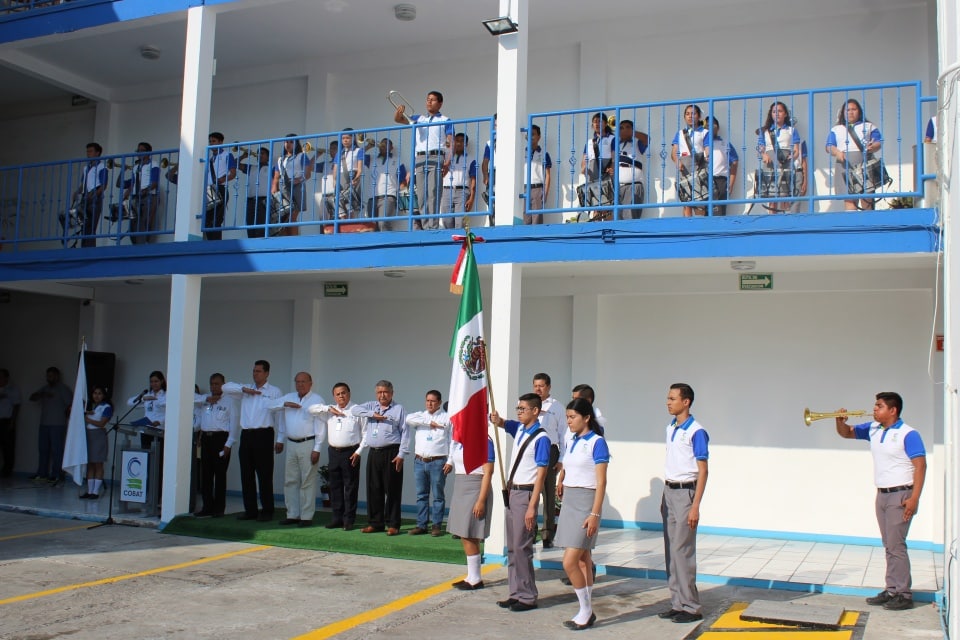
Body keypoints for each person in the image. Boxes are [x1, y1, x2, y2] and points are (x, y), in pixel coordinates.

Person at [835, 392, 926, 611]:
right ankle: (892, 589)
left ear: (893, 410)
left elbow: (920, 466)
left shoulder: (908, 434)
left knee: (897, 545)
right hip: (882, 494)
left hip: (901, 494)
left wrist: (914, 498)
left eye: (879, 406)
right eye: (875, 406)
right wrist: (839, 422)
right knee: (889, 544)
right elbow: (846, 433)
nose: (874, 409)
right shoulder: (874, 429)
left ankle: (903, 593)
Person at [489, 393, 550, 612]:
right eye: (518, 408)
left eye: (523, 409)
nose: (519, 412)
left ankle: (527, 596)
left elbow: (541, 476)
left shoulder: (541, 438)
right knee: (513, 547)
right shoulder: (521, 429)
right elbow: (506, 424)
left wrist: (533, 506)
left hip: (526, 494)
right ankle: (515, 592)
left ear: (535, 411)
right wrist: (498, 420)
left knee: (523, 547)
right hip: (513, 493)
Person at [658, 383, 709, 624]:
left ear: (685, 402)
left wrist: (695, 505)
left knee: (683, 550)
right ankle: (677, 602)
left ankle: (691, 606)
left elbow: (703, 471)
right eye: (668, 398)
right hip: (669, 491)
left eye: (672, 398)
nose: (668, 402)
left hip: (686, 494)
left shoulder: (696, 431)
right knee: (671, 550)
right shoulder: (671, 428)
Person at [557, 398, 609, 630]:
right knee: (582, 559)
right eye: (567, 417)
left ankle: (586, 610)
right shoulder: (573, 440)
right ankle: (586, 609)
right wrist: (562, 481)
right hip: (570, 500)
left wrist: (595, 514)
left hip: (587, 503)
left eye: (572, 417)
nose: (568, 421)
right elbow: (568, 467)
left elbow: (601, 482)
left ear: (586, 417)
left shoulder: (597, 443)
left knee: (569, 562)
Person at [223, 360, 283, 522]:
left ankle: (267, 510)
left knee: (264, 475)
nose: (255, 374)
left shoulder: (274, 391)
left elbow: (279, 416)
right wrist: (243, 389)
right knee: (246, 475)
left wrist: (280, 438)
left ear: (267, 373)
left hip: (264, 435)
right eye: (254, 371)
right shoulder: (244, 389)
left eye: (259, 371)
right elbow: (225, 387)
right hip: (247, 435)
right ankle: (250, 510)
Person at [352, 380, 409, 535]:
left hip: (392, 453)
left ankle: (393, 524)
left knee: (392, 489)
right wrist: (372, 414)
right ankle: (375, 523)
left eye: (385, 392)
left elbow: (405, 432)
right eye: (379, 392)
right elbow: (354, 410)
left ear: (392, 393)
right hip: (374, 453)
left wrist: (401, 454)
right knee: (374, 488)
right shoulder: (371, 406)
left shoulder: (398, 409)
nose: (382, 395)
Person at [269, 372, 326, 527]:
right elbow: (270, 406)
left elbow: (320, 426)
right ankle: (292, 514)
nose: (300, 384)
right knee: (290, 480)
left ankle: (306, 516)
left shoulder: (317, 400)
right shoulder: (289, 397)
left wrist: (317, 448)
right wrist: (285, 405)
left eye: (303, 381)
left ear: (310, 383)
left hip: (308, 443)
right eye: (297, 381)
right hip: (291, 443)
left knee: (307, 481)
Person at [395, 90, 453, 230]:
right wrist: (399, 111)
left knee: (433, 192)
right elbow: (399, 119)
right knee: (421, 194)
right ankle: (425, 225)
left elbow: (450, 141)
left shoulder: (445, 120)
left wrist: (447, 161)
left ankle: (432, 226)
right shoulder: (418, 118)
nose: (429, 102)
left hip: (435, 156)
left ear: (440, 103)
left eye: (432, 100)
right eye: (427, 99)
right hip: (420, 157)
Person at [308, 382, 362, 530]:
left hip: (351, 452)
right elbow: (311, 409)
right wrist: (327, 408)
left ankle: (349, 520)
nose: (341, 396)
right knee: (335, 486)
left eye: (343, 393)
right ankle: (337, 518)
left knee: (350, 487)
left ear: (349, 393)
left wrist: (359, 452)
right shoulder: (330, 411)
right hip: (334, 452)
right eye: (337, 394)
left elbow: (366, 433)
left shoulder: (356, 410)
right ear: (334, 396)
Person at [448, 434, 495, 590]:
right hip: (461, 485)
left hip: (475, 487)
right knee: (464, 533)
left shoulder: (484, 440)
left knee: (470, 532)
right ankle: (471, 575)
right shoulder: (460, 440)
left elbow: (488, 472)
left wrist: (481, 500)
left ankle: (475, 578)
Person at [405, 390, 452, 536]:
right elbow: (408, 419)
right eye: (427, 401)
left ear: (439, 402)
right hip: (420, 461)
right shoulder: (421, 416)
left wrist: (450, 461)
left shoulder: (446, 418)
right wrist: (428, 422)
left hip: (438, 462)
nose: (429, 404)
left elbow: (452, 440)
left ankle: (436, 525)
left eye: (432, 401)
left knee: (438, 495)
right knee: (421, 495)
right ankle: (421, 525)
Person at [193, 373, 239, 517]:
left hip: (221, 439)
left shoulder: (230, 401)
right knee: (205, 475)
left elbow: (234, 424)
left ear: (223, 384)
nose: (214, 386)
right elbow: (190, 400)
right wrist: (206, 398)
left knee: (219, 475)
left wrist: (229, 443)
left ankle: (219, 509)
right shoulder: (204, 400)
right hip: (206, 439)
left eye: (217, 384)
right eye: (212, 383)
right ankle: (207, 506)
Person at [825, 99, 884, 211]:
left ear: (859, 111)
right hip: (845, 166)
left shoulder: (869, 126)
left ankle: (869, 225)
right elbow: (829, 146)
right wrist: (837, 152)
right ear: (843, 112)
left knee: (867, 199)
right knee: (849, 200)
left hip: (864, 165)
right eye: (847, 110)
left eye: (854, 109)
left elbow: (878, 142)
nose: (850, 112)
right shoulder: (836, 129)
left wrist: (873, 147)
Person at [532, 372, 564, 548]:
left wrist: (561, 459)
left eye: (541, 386)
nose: (538, 389)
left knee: (548, 494)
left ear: (549, 387)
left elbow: (563, 435)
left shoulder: (557, 407)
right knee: (530, 492)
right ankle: (530, 531)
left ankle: (547, 534)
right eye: (535, 385)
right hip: (532, 451)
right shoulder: (527, 404)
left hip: (550, 451)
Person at [29, 366, 73, 484]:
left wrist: (67, 417)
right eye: (48, 376)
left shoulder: (63, 389)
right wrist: (41, 394)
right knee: (43, 449)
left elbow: (71, 404)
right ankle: (42, 473)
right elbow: (32, 398)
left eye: (52, 376)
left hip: (58, 424)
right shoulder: (45, 388)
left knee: (57, 450)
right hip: (44, 424)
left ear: (57, 376)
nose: (49, 378)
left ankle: (57, 474)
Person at [756, 103, 801, 214]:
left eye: (780, 111)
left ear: (785, 114)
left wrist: (792, 156)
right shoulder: (765, 131)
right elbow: (760, 148)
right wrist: (764, 155)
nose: (777, 114)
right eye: (774, 111)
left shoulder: (791, 130)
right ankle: (772, 220)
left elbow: (796, 150)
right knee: (772, 197)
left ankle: (785, 222)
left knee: (785, 194)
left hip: (785, 163)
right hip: (770, 164)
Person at [671, 105, 709, 217]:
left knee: (700, 200)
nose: (690, 116)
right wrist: (677, 162)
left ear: (699, 116)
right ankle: (687, 226)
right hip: (684, 166)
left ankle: (699, 227)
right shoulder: (680, 133)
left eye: (693, 113)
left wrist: (707, 156)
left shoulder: (705, 132)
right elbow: (674, 151)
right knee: (686, 201)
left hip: (699, 166)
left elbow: (707, 148)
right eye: (687, 114)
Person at [271, 134, 312, 236]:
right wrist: (274, 188)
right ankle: (286, 238)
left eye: (291, 142)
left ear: (296, 144)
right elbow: (276, 176)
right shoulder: (281, 159)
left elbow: (307, 174)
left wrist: (298, 180)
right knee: (284, 217)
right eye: (286, 142)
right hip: (284, 189)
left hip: (297, 188)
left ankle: (294, 238)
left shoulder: (301, 156)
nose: (288, 144)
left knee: (292, 216)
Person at [365, 138, 408, 232]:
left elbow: (403, 182)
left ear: (391, 147)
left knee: (383, 223)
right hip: (372, 198)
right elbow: (357, 157)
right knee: (371, 226)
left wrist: (404, 203)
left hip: (388, 196)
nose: (383, 147)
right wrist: (369, 146)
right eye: (382, 144)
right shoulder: (372, 159)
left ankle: (387, 244)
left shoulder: (397, 161)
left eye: (386, 145)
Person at [579, 112, 616, 220]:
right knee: (595, 203)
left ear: (605, 124)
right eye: (595, 122)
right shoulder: (590, 142)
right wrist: (584, 169)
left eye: (600, 121)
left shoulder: (611, 138)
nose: (597, 124)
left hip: (605, 173)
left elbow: (614, 157)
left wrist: (612, 168)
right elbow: (584, 159)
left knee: (607, 203)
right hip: (593, 173)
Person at [123, 142, 161, 244]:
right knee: (133, 223)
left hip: (149, 196)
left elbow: (154, 183)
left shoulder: (154, 164)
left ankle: (143, 245)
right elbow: (134, 182)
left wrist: (145, 190)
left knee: (145, 222)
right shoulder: (136, 167)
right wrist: (128, 192)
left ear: (148, 152)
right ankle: (136, 244)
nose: (139, 153)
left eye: (142, 150)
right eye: (138, 150)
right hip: (136, 197)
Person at [73, 142, 107, 248]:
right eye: (87, 151)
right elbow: (83, 184)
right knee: (84, 225)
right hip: (85, 198)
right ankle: (84, 247)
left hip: (94, 198)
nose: (88, 153)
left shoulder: (102, 167)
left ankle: (90, 248)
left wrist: (94, 195)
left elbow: (103, 185)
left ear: (97, 153)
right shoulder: (86, 168)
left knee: (91, 225)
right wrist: (76, 192)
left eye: (91, 151)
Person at [80, 385, 112, 499]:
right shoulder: (94, 407)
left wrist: (88, 419)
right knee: (90, 464)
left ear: (103, 395)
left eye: (99, 393)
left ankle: (96, 491)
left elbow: (102, 423)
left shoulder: (107, 407)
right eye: (94, 393)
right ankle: (89, 491)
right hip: (89, 435)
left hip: (98, 435)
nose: (96, 396)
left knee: (98, 463)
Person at [440, 133, 477, 229]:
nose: (459, 143)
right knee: (446, 220)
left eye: (462, 141)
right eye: (457, 141)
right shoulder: (446, 158)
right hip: (446, 191)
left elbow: (473, 180)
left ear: (466, 144)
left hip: (462, 192)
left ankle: (458, 243)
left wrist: (471, 198)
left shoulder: (471, 160)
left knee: (460, 223)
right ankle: (449, 243)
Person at [205, 132, 236, 240]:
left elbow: (232, 173)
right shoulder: (209, 159)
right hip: (209, 190)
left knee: (217, 218)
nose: (211, 143)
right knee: (207, 219)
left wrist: (222, 179)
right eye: (210, 141)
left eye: (214, 141)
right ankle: (210, 242)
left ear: (220, 142)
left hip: (221, 189)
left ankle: (216, 242)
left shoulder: (227, 155)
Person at [616, 119, 648, 220]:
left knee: (629, 216)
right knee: (616, 217)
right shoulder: (616, 144)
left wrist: (631, 133)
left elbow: (646, 139)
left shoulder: (637, 143)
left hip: (632, 185)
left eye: (627, 127)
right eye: (621, 128)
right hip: (616, 187)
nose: (624, 130)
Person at [706, 118, 739, 217]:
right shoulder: (701, 144)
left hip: (720, 181)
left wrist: (731, 183)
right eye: (707, 126)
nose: (710, 128)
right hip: (704, 180)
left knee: (719, 212)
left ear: (718, 127)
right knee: (704, 211)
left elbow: (734, 162)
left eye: (713, 125)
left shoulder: (724, 143)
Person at [128, 370, 166, 450]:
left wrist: (160, 422)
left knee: (158, 457)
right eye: (151, 382)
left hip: (159, 430)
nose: (153, 384)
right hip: (146, 430)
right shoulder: (147, 395)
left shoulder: (166, 395)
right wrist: (143, 398)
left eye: (156, 381)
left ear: (162, 381)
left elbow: (170, 413)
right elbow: (130, 402)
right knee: (146, 456)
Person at [238, 147, 271, 238]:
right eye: (258, 153)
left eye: (263, 153)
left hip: (264, 200)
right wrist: (244, 156)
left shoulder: (271, 169)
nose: (260, 155)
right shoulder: (251, 168)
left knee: (261, 225)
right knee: (250, 224)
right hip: (251, 200)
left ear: (268, 157)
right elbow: (234, 164)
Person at [331, 129, 364, 221]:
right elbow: (335, 168)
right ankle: (343, 224)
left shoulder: (358, 151)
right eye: (343, 138)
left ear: (353, 138)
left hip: (351, 178)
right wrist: (334, 180)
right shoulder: (339, 153)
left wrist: (356, 179)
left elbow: (360, 169)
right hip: (340, 179)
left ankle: (350, 226)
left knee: (350, 204)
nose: (345, 140)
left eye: (348, 138)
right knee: (339, 203)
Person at [523, 124, 552, 225]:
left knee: (537, 219)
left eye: (533, 134)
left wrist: (545, 192)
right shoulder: (521, 152)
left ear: (539, 137)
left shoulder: (544, 154)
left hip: (537, 188)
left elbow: (548, 175)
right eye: (529, 134)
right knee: (525, 219)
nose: (531, 137)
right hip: (524, 189)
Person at [0, 368, 22, 477]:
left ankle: (7, 471)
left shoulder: (13, 389)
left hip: (6, 420)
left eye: (1, 376)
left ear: (6, 377)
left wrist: (12, 422)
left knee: (8, 447)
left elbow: (16, 406)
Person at [481, 113, 496, 221]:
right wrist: (486, 176)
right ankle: (493, 222)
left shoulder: (512, 139)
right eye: (495, 125)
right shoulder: (490, 143)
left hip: (508, 172)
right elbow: (485, 161)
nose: (497, 127)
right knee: (491, 200)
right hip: (494, 172)